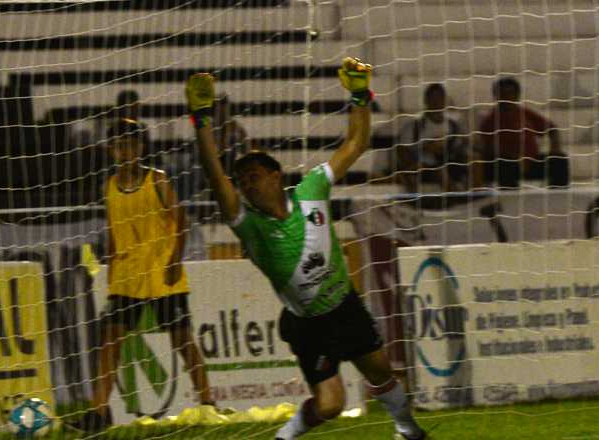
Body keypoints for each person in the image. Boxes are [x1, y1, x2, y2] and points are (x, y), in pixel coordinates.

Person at [185, 58, 426, 440]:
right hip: (307, 323)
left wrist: (360, 95)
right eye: (243, 182)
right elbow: (216, 178)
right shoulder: (248, 225)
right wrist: (202, 120)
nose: (248, 186)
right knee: (331, 404)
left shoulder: (312, 189)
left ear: (276, 176)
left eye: (254, 178)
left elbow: (356, 144)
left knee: (382, 373)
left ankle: (408, 429)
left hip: (345, 305)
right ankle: (285, 436)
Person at [77, 118, 214, 432]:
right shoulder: (109, 186)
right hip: (126, 275)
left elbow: (180, 220)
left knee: (182, 340)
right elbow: (112, 229)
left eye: (132, 144)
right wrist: (111, 267)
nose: (127, 150)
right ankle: (98, 412)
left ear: (141, 148)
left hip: (160, 273)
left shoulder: (158, 180)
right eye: (120, 145)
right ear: (111, 150)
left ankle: (207, 402)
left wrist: (175, 262)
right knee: (110, 340)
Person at [475, 76, 568, 188]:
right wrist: (514, 157)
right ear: (496, 96)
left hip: (530, 161)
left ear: (517, 95)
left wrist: (555, 148)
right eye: (503, 93)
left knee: (559, 160)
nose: (507, 97)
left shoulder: (525, 113)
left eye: (510, 93)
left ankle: (557, 194)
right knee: (506, 164)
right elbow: (488, 148)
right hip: (505, 163)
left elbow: (552, 129)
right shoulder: (489, 120)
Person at [392, 83, 470, 192]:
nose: (436, 102)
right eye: (433, 98)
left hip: (449, 163)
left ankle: (476, 195)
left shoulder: (453, 126)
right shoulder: (413, 126)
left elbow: (459, 148)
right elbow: (402, 150)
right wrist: (424, 148)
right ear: (426, 101)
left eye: (440, 98)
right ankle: (455, 196)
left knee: (475, 159)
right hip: (424, 167)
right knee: (435, 168)